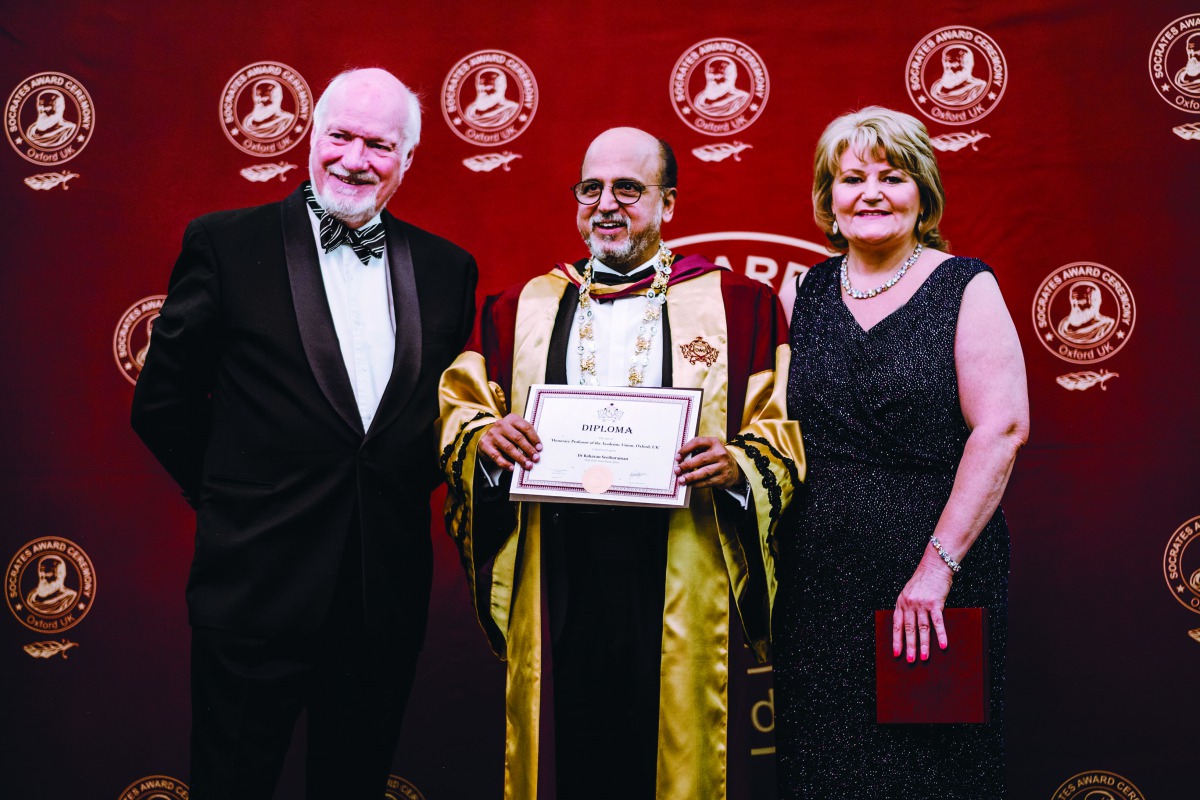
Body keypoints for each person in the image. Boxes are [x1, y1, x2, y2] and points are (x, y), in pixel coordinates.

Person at [131, 67, 477, 800]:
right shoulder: (225, 244)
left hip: (381, 597)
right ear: (311, 136)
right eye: (340, 136)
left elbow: (433, 422)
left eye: (379, 144)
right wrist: (236, 500)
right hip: (254, 589)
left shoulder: (449, 270)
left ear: (408, 158)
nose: (355, 159)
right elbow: (162, 402)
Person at [437, 126, 802, 800]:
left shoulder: (739, 306)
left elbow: (781, 430)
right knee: (568, 754)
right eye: (591, 188)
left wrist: (738, 465)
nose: (607, 204)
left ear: (668, 204)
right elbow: (463, 412)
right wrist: (488, 442)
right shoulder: (520, 309)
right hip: (557, 568)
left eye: (628, 189)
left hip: (679, 565)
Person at [773, 106, 1028, 797]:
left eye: (893, 175)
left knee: (931, 774)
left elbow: (1001, 430)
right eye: (851, 178)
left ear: (924, 194)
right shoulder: (800, 293)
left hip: (933, 584)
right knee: (824, 771)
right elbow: (770, 430)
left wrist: (936, 569)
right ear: (829, 200)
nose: (871, 192)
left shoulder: (965, 286)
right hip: (817, 585)